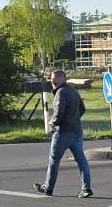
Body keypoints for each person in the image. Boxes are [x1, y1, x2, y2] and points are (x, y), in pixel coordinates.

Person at [35, 68, 93, 197]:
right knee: (81, 159)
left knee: (54, 160)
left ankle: (48, 188)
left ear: (63, 78)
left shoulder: (61, 92)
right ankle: (86, 188)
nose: (53, 79)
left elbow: (59, 111)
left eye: (57, 77)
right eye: (52, 77)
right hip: (76, 131)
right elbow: (82, 109)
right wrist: (74, 119)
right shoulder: (73, 91)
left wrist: (53, 122)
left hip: (63, 132)